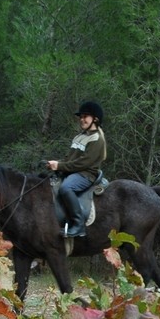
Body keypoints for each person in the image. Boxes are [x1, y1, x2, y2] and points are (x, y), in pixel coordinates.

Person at [46, 100, 107, 238]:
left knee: (66, 188)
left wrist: (60, 166)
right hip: (73, 171)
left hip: (85, 174)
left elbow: (83, 163)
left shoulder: (97, 139)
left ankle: (78, 225)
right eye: (81, 117)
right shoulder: (80, 136)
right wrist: (54, 163)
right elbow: (70, 159)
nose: (82, 119)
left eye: (85, 116)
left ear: (95, 119)